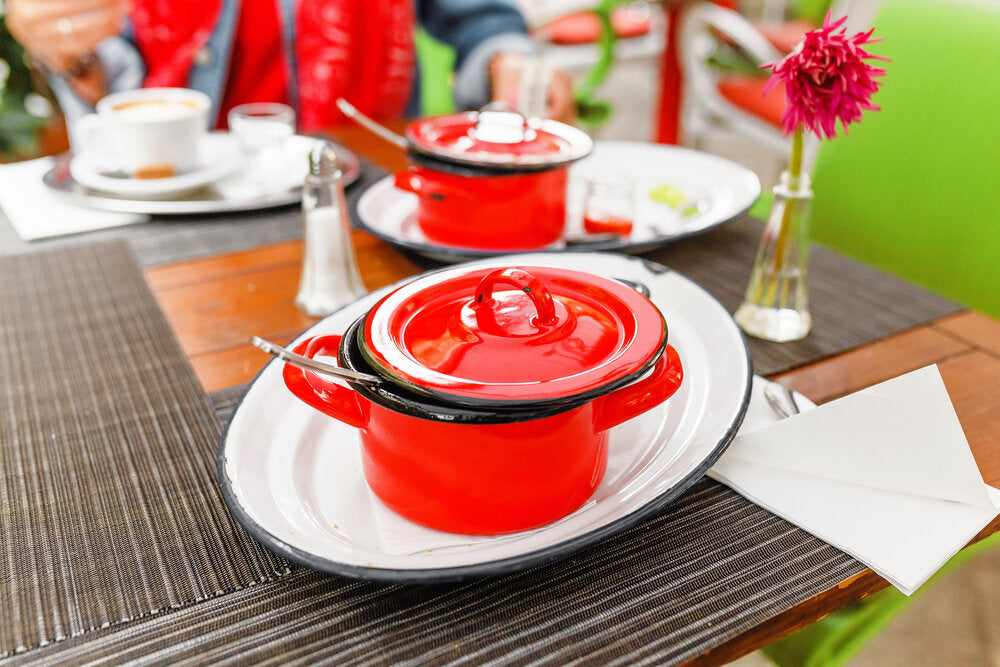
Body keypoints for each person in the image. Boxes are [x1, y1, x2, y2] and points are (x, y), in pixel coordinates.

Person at [6, 0, 577, 131]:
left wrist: (509, 60)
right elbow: (110, 73)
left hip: (362, 177)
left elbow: (479, 18)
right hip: (191, 187)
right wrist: (69, 49)